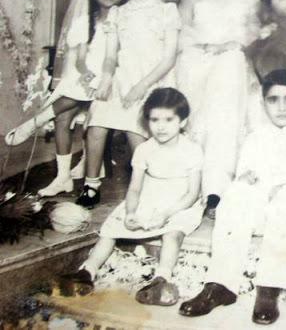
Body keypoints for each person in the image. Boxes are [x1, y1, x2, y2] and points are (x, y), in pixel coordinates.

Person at [178, 69, 286, 325]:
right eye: (273, 100)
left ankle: (269, 288)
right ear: (263, 105)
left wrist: (285, 186)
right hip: (264, 208)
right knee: (236, 193)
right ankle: (221, 284)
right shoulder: (256, 138)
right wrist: (251, 183)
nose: (281, 107)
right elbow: (248, 177)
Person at [57, 88, 203, 307]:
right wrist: (132, 212)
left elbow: (192, 194)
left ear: (182, 121)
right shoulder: (144, 150)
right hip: (149, 197)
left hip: (180, 203)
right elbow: (134, 189)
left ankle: (162, 279)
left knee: (173, 234)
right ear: (147, 122)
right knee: (110, 230)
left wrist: (166, 214)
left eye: (168, 119)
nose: (161, 126)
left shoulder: (191, 149)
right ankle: (88, 271)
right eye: (154, 120)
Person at [4, 0, 126, 197]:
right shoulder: (85, 21)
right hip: (86, 77)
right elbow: (80, 60)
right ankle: (62, 178)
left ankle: (35, 122)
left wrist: (97, 79)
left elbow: (114, 58)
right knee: (63, 117)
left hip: (113, 76)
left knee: (76, 108)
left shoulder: (121, 16)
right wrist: (86, 75)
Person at [77, 0, 181, 208]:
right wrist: (106, 78)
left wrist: (140, 87)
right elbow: (111, 55)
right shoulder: (117, 13)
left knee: (137, 130)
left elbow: (168, 59)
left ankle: (148, 186)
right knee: (97, 120)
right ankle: (91, 185)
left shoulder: (167, 10)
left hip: (153, 80)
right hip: (122, 77)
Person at [176, 0, 260, 219]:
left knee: (229, 73)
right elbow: (181, 34)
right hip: (196, 64)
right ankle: (190, 188)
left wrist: (229, 47)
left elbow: (253, 35)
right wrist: (205, 50)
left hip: (233, 69)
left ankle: (217, 191)